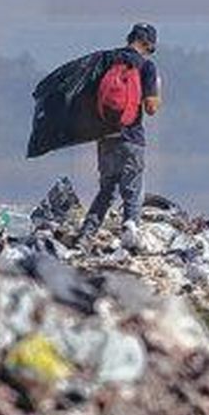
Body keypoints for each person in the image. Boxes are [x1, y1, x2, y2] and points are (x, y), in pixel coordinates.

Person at [78, 23, 162, 247]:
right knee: (133, 192)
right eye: (151, 48)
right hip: (131, 137)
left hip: (105, 137)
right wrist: (157, 92)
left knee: (106, 190)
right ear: (147, 45)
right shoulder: (147, 66)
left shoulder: (106, 61)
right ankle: (130, 236)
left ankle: (85, 235)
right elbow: (151, 108)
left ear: (129, 38)